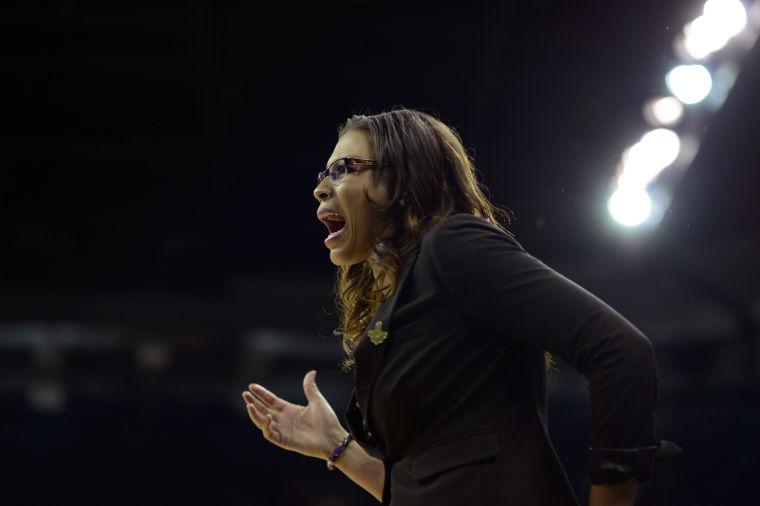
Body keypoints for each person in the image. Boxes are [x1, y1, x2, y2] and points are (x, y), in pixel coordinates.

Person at [241, 108, 680, 505]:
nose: (320, 189)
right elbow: (427, 486)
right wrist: (336, 446)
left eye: (343, 169)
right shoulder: (398, 306)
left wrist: (612, 497)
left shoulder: (453, 245)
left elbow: (621, 351)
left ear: (400, 178)